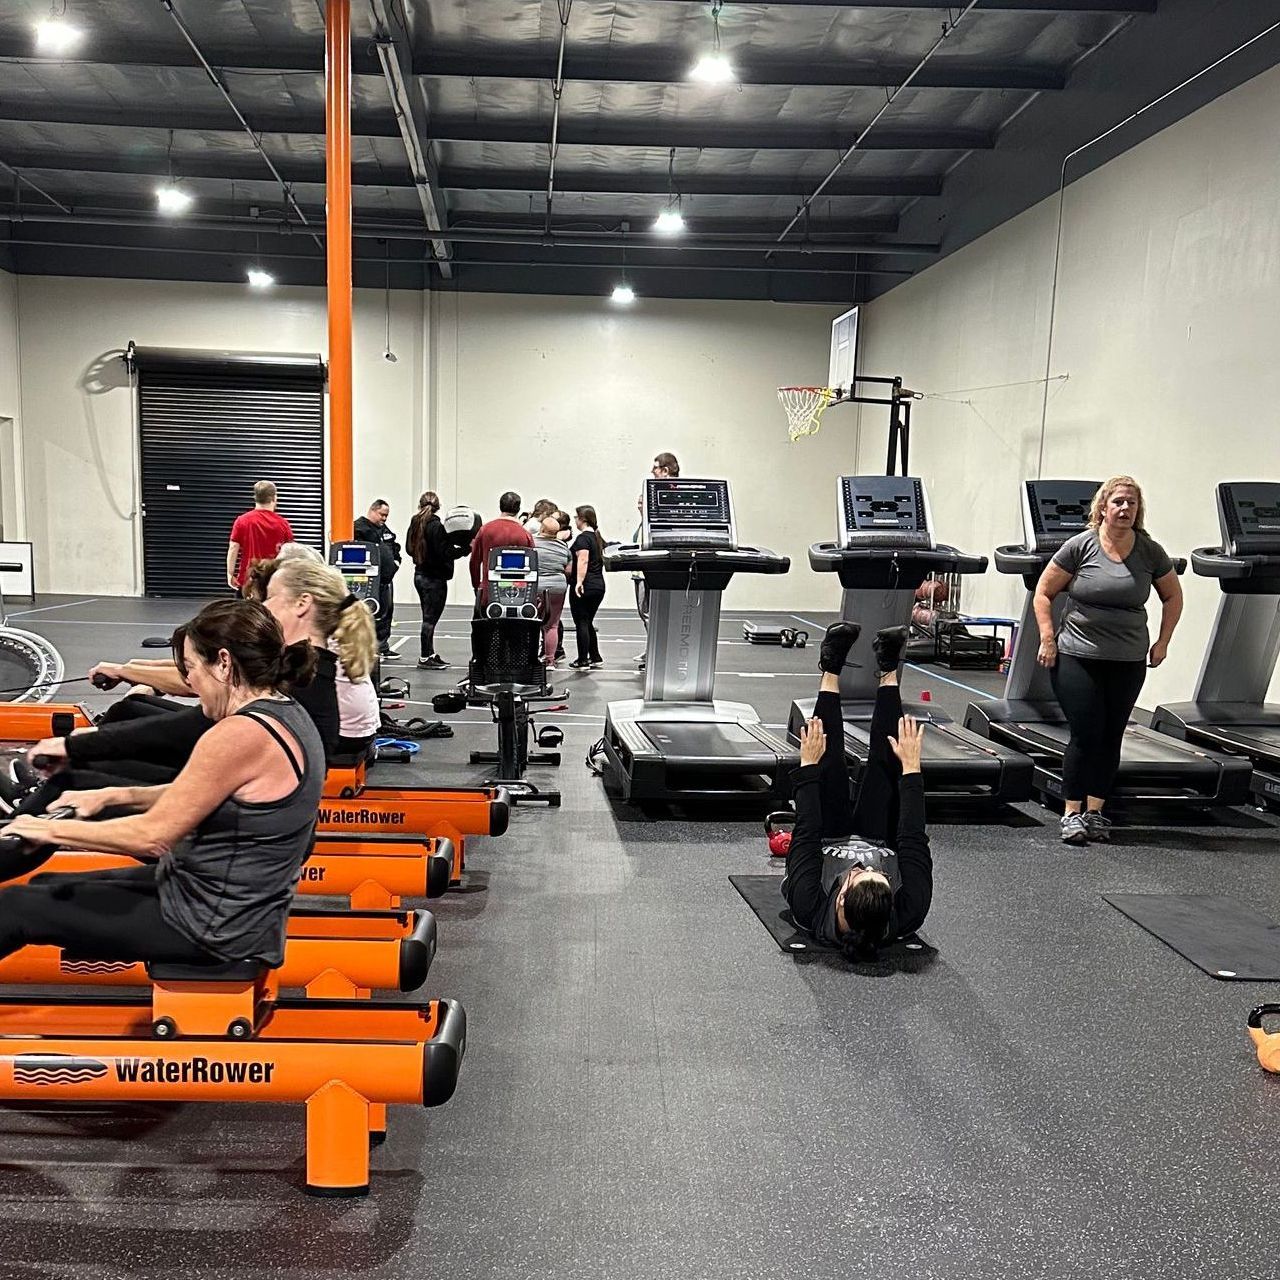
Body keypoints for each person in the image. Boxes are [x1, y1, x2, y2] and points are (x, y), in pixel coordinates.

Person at [0, 599, 324, 968]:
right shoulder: (286, 712)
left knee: (14, 907)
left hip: (212, 924)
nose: (189, 684)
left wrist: (45, 830)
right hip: (224, 904)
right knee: (45, 886)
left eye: (191, 670)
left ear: (223, 663)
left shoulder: (240, 734)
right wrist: (114, 795)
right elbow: (204, 795)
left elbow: (152, 838)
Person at [1033, 474, 1182, 845]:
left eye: (1131, 503)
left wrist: (1163, 641)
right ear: (1102, 507)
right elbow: (1044, 592)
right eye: (1118, 502)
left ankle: (1096, 811)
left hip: (1128, 658)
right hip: (1077, 654)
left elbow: (1173, 597)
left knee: (1112, 735)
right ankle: (1071, 813)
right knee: (1086, 733)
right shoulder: (1080, 546)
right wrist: (1048, 638)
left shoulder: (1150, 551)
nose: (1125, 508)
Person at [781, 622, 933, 957]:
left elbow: (806, 832)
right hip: (881, 835)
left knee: (826, 761)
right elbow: (912, 837)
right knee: (891, 760)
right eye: (878, 875)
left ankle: (831, 667)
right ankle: (889, 668)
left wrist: (808, 767)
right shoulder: (911, 908)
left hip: (825, 838)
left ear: (840, 899)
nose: (865, 867)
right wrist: (911, 769)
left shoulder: (809, 902)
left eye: (858, 876)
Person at [407, 491, 467, 671]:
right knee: (429, 619)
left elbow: (409, 549)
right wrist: (465, 550)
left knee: (428, 617)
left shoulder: (415, 522)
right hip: (434, 578)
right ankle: (425, 657)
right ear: (438, 507)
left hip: (419, 575)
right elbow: (445, 552)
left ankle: (429, 653)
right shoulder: (436, 526)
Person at [633, 452, 680, 670]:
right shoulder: (651, 513)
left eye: (655, 469)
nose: (652, 472)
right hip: (644, 568)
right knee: (647, 613)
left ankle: (657, 652)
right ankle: (653, 649)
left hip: (656, 567)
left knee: (652, 612)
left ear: (666, 470)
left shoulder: (669, 496)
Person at [353, 500, 402, 661]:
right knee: (369, 613)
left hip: (386, 579)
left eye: (386, 515)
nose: (384, 518)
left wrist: (396, 562)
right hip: (368, 580)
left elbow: (394, 546)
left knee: (386, 612)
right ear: (372, 510)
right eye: (382, 514)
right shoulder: (359, 528)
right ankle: (367, 647)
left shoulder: (384, 530)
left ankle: (382, 646)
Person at [470, 491, 534, 612]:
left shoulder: (485, 530)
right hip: (517, 593)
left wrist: (476, 585)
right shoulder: (525, 534)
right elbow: (532, 564)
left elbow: (474, 561)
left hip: (489, 592)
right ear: (518, 509)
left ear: (500, 505)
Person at [227, 480, 294, 594]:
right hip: (272, 581)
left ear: (255, 498)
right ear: (274, 498)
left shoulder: (242, 521)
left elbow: (233, 548)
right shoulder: (283, 524)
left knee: (245, 612)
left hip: (248, 581)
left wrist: (230, 573)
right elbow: (290, 553)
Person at [567, 505, 606, 671]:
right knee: (588, 621)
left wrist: (579, 582)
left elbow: (583, 560)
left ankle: (582, 659)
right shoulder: (597, 538)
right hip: (598, 585)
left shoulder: (583, 539)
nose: (575, 520)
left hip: (586, 585)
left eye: (576, 517)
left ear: (582, 519)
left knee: (581, 621)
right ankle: (595, 656)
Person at [534, 516, 571, 668]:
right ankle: (550, 660)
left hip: (536, 587)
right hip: (557, 588)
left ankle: (531, 658)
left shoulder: (532, 543)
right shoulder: (564, 547)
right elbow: (568, 571)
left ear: (542, 529)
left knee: (531, 623)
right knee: (552, 625)